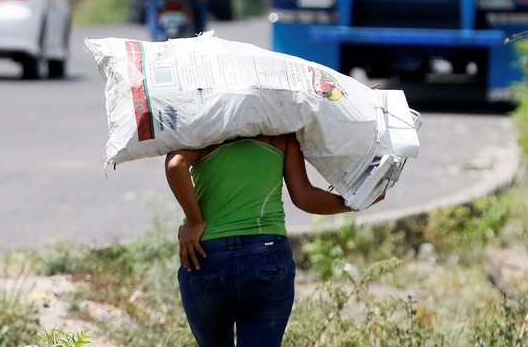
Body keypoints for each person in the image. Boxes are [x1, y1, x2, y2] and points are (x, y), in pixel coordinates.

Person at [164, 133, 385, 346]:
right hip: (267, 257)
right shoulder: (281, 132)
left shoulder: (205, 129)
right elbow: (304, 197)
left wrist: (194, 221)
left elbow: (176, 165)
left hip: (207, 257)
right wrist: (357, 202)